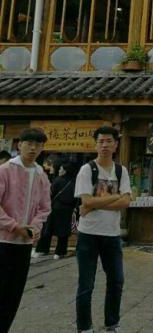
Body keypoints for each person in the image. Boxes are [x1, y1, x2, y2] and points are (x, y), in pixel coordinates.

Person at [74, 126, 131, 333]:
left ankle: (112, 324)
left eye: (109, 141)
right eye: (101, 141)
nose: (104, 145)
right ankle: (84, 327)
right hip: (88, 234)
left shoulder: (121, 171)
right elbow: (86, 200)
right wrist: (115, 196)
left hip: (112, 235)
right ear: (95, 144)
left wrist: (94, 204)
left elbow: (126, 202)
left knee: (116, 281)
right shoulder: (87, 169)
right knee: (86, 285)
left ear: (116, 144)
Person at [0, 128, 51, 333]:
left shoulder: (41, 175)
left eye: (38, 145)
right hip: (2, 241)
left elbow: (45, 207)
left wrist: (35, 227)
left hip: (24, 244)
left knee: (14, 294)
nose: (33, 148)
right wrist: (14, 226)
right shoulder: (5, 170)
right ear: (19, 144)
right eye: (29, 143)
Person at [34, 161, 78, 259]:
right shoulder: (75, 182)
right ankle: (59, 253)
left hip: (54, 208)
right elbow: (76, 198)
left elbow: (50, 194)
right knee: (63, 232)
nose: (59, 170)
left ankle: (42, 250)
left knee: (47, 230)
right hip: (67, 210)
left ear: (65, 170)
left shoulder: (58, 180)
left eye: (61, 169)